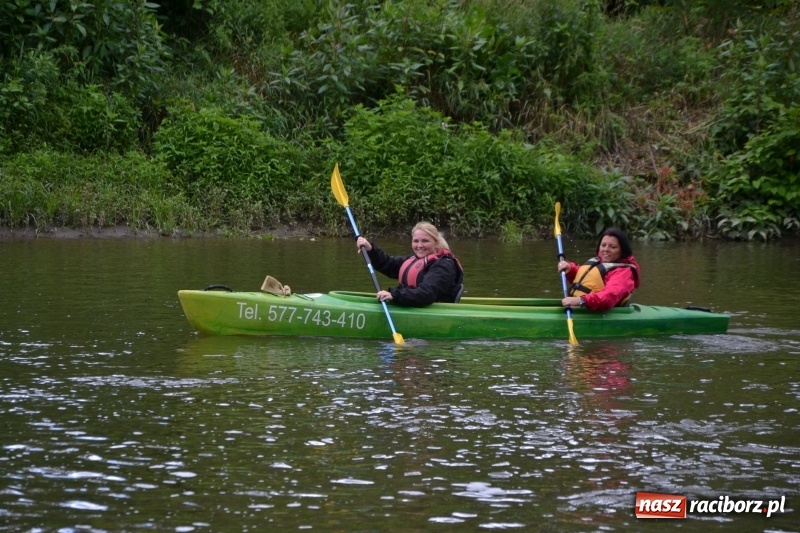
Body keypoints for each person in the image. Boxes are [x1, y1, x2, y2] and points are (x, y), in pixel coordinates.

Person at [355, 222, 464, 306]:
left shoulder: (444, 265)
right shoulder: (415, 260)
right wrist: (370, 250)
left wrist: (394, 295)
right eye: (416, 241)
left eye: (425, 241)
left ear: (436, 243)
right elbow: (388, 264)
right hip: (412, 305)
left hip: (434, 311)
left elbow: (426, 294)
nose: (419, 245)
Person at [557, 227, 640, 312]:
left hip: (601, 312)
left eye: (613, 247)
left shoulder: (624, 273)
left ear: (622, 251)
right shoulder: (599, 262)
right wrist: (570, 269)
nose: (606, 249)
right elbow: (585, 278)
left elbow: (609, 296)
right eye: (603, 245)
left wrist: (581, 300)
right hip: (579, 307)